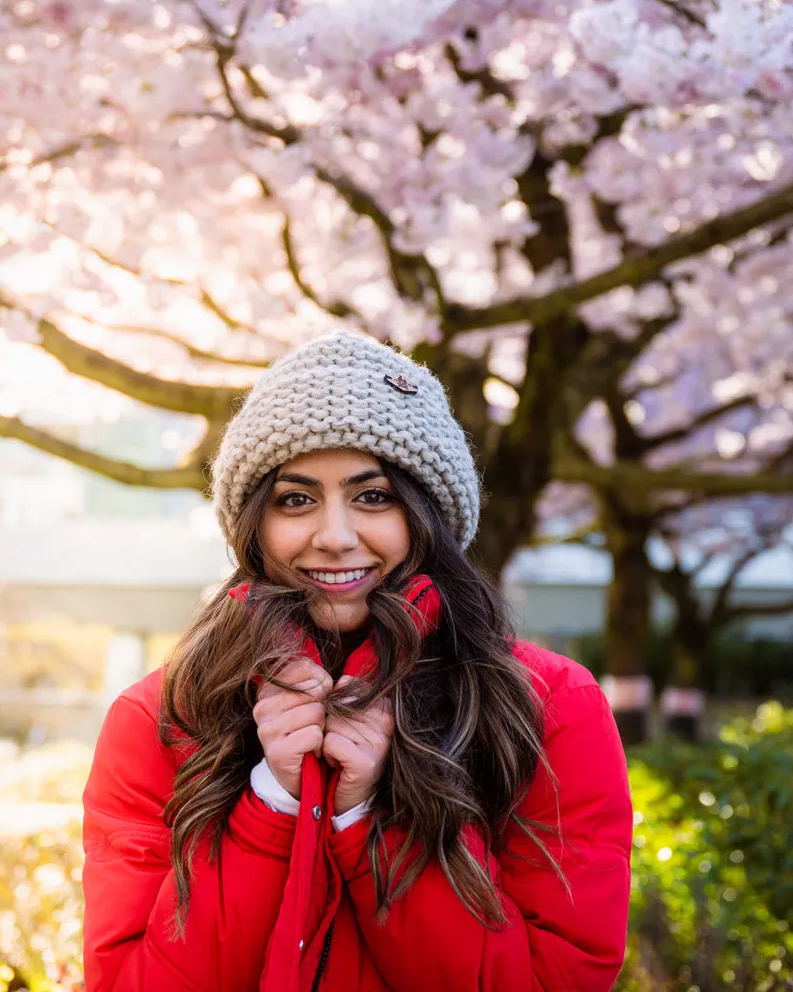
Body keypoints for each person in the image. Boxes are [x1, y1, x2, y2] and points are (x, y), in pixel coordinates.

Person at [81, 332, 633, 992]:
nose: (335, 537)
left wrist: (369, 818)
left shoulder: (547, 705)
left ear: (427, 514)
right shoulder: (162, 717)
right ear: (253, 524)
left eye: (374, 496)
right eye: (295, 498)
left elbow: (558, 980)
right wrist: (269, 805)